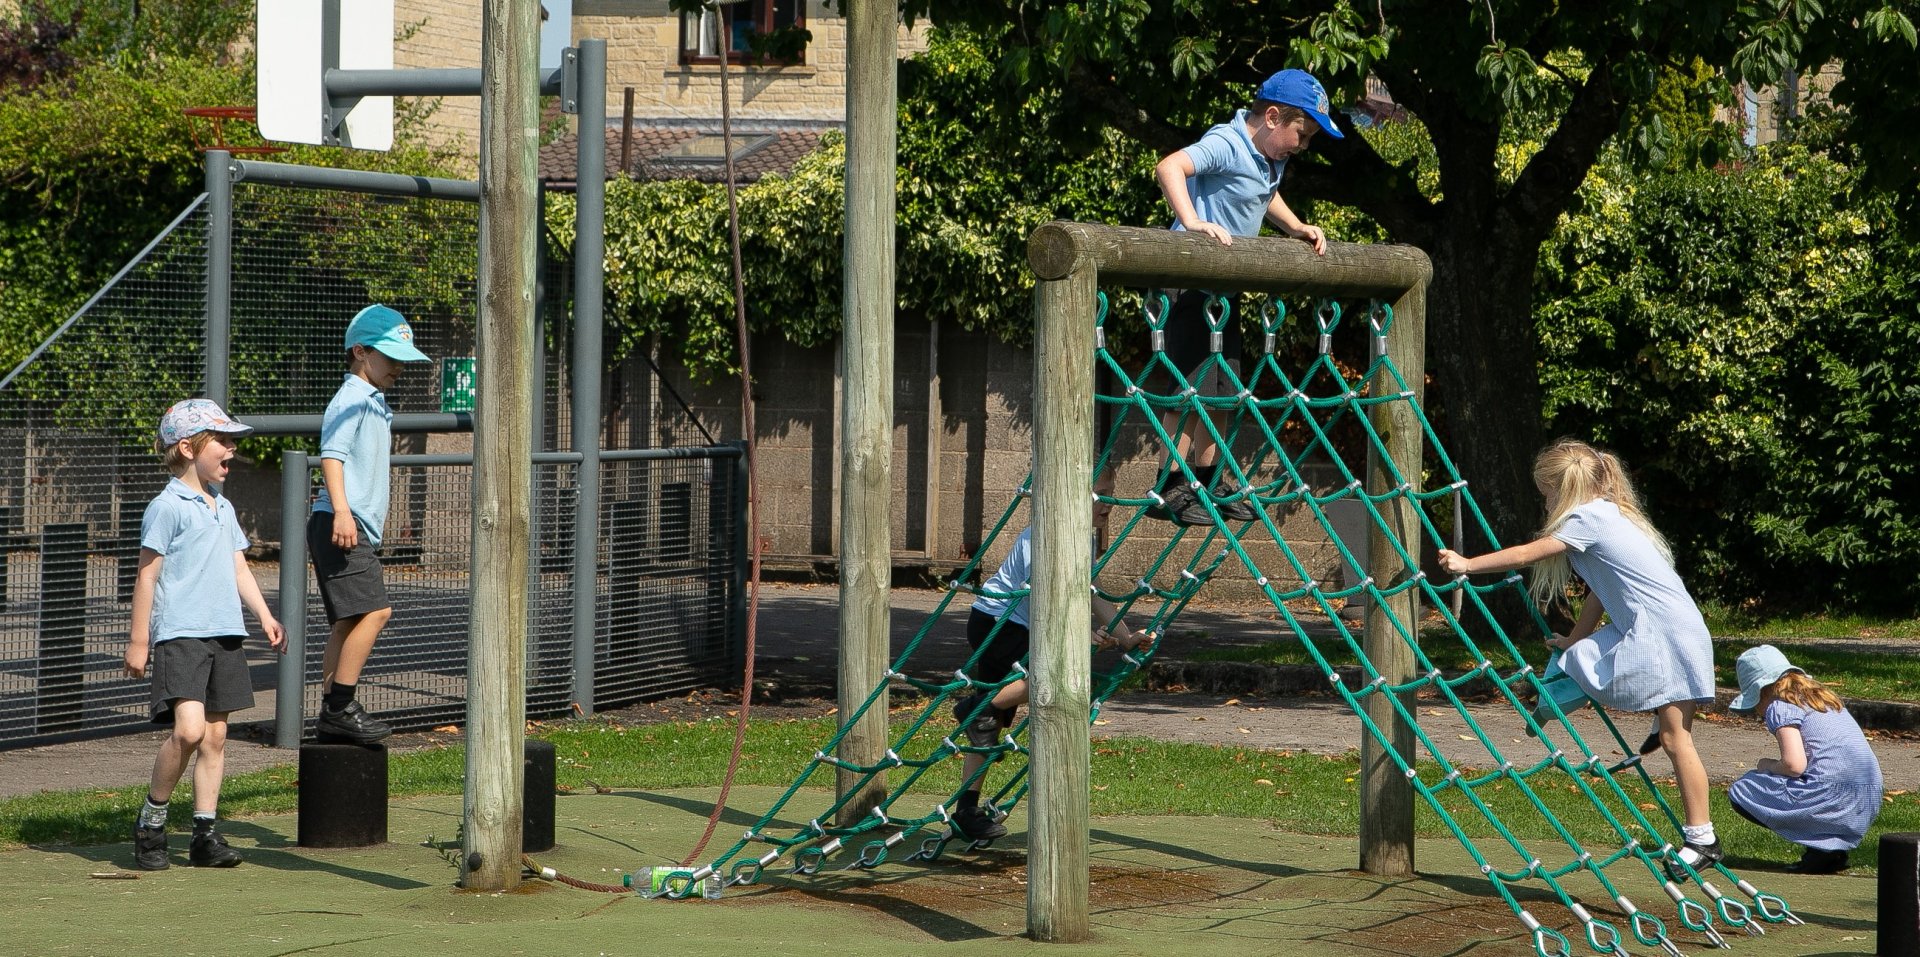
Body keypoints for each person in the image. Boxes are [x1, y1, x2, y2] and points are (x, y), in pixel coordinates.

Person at [1436, 438, 1721, 881]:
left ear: (1562, 487)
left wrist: (1468, 564)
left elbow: (1529, 555)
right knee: (1669, 733)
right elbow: (1598, 593)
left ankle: (1701, 838)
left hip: (1661, 634)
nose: (1545, 501)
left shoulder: (1586, 518)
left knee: (1674, 739)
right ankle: (1699, 832)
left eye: (1546, 492)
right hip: (1677, 627)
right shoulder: (1612, 513)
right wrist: (1573, 637)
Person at [1147, 68, 1342, 527]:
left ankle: (1210, 480)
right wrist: (1192, 222)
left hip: (1223, 289)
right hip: (1190, 282)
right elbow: (1169, 166)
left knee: (1223, 393)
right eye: (1302, 133)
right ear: (1272, 117)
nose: (1304, 144)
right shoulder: (1228, 142)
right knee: (1187, 390)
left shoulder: (1269, 158)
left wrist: (1294, 225)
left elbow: (1263, 195)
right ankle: (1168, 485)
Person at [125, 399, 286, 870]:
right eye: (223, 440)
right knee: (190, 731)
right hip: (180, 634)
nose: (232, 449)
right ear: (188, 447)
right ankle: (151, 822)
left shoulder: (224, 505)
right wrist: (139, 640)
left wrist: (263, 614)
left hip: (225, 633)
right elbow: (147, 576)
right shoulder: (166, 506)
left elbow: (238, 566)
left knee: (215, 737)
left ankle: (204, 836)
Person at [948, 475, 1145, 841]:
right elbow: (1043, 599)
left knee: (990, 725)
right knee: (1054, 676)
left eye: (1112, 496)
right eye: (1100, 495)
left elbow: (1087, 593)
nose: (1108, 505)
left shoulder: (1083, 539)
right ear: (1070, 496)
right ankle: (975, 709)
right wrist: (1078, 637)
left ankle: (966, 809)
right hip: (999, 622)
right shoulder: (1045, 537)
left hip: (1019, 625)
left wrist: (1124, 636)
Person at [309, 304, 431, 745]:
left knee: (348, 621)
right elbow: (332, 455)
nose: (399, 367)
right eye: (391, 357)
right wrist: (342, 511)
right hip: (342, 522)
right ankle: (341, 707)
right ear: (360, 352)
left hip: (345, 523)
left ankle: (330, 711)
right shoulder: (351, 398)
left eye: (403, 358)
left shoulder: (374, 400)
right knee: (377, 612)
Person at [1726, 645, 1882, 874]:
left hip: (1832, 796)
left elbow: (1793, 764)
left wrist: (1766, 765)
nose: (1757, 711)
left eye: (1754, 703)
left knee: (1742, 790)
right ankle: (1829, 851)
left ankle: (1819, 848)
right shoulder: (1823, 699)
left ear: (1763, 691)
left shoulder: (1781, 706)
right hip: (1868, 795)